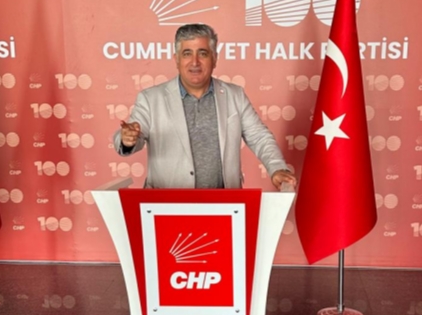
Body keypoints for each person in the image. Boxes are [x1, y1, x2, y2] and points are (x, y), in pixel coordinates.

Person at [113, 23, 297, 190]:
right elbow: (133, 137)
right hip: (165, 205)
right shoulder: (150, 98)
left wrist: (277, 168)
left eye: (202, 53)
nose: (195, 62)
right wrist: (127, 139)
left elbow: (259, 137)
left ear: (214, 59)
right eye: (187, 53)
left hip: (225, 205)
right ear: (176, 59)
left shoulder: (235, 95)